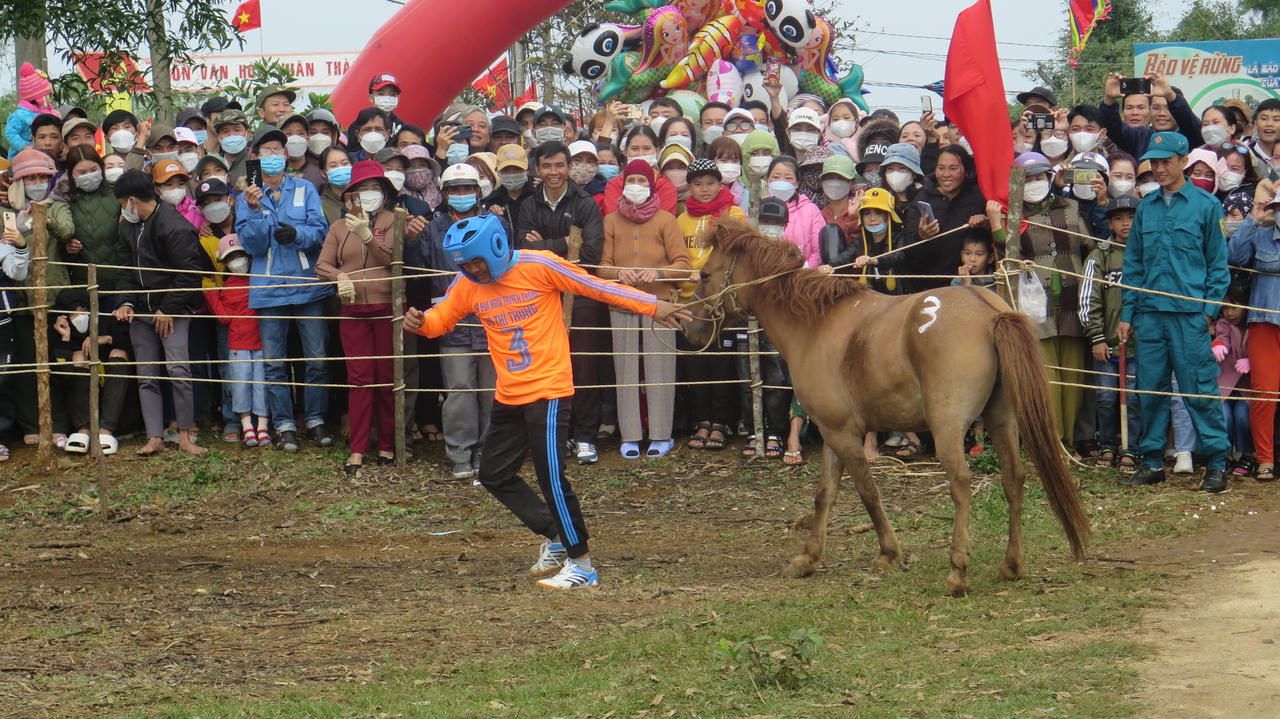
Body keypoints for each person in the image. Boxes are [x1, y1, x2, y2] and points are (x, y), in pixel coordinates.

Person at [403, 213, 691, 589]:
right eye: (465, 264)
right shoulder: (467, 285)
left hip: (549, 390)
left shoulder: (539, 265)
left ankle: (582, 565)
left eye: (477, 261)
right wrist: (421, 322)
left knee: (551, 477)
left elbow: (596, 287)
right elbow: (442, 318)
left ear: (496, 247)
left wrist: (652, 305)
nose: (473, 270)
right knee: (494, 475)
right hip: (509, 395)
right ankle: (555, 534)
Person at [1118, 131, 1231, 493]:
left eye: (1167, 161)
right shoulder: (1145, 209)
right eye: (1154, 161)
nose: (1159, 168)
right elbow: (1133, 265)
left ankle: (1216, 461)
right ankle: (1151, 460)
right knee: (1149, 390)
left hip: (1188, 316)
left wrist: (1209, 311)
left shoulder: (1206, 206)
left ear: (1184, 161)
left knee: (1199, 389)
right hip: (1149, 316)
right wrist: (1127, 313)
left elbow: (1218, 266)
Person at [234, 124, 334, 453]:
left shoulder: (305, 188)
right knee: (275, 363)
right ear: (255, 157)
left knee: (316, 358)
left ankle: (316, 419)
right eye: (267, 151)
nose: (274, 156)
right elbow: (253, 245)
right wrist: (253, 210)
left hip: (307, 287)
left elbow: (320, 230)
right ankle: (284, 424)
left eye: (279, 150)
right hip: (269, 289)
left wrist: (299, 235)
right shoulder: (245, 197)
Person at [514, 141, 609, 464]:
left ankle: (585, 436)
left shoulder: (585, 203)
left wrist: (545, 246)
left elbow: (590, 253)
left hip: (580, 294)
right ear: (537, 170)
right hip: (540, 296)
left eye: (559, 165)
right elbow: (523, 254)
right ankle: (557, 435)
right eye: (546, 166)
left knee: (583, 365)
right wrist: (565, 244)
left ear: (569, 167)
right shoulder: (529, 205)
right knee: (546, 365)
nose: (553, 173)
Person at [599, 159, 690, 459]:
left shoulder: (667, 220)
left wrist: (659, 273)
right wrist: (619, 274)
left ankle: (662, 435)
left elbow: (683, 266)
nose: (635, 186)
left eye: (642, 180)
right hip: (622, 302)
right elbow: (602, 268)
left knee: (660, 365)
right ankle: (630, 435)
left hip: (660, 303)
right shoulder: (611, 220)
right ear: (622, 184)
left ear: (651, 185)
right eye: (631, 180)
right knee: (624, 366)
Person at [1000, 151, 1092, 450]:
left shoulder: (1072, 207)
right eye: (1028, 179)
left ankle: (1073, 440)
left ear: (1050, 178)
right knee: (1046, 376)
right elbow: (1009, 254)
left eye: (1040, 177)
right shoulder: (1013, 215)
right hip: (1037, 305)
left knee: (1076, 375)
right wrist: (994, 221)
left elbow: (1090, 247)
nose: (1035, 183)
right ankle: (1051, 442)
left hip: (1074, 300)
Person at [111, 170, 207, 456]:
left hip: (173, 311)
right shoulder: (127, 226)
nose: (122, 209)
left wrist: (169, 308)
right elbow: (125, 269)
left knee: (179, 370)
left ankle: (186, 435)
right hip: (140, 311)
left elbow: (190, 274)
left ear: (131, 200)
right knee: (147, 374)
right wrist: (126, 301)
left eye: (121, 203)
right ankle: (154, 436)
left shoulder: (174, 225)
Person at [315, 161, 401, 472]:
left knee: (388, 378)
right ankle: (358, 448)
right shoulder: (339, 227)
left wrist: (367, 236)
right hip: (352, 311)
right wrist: (339, 276)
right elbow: (321, 265)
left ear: (385, 193)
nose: (369, 194)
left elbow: (393, 260)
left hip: (387, 309)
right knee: (360, 380)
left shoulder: (394, 220)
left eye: (375, 188)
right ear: (352, 194)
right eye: (363, 188)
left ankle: (389, 445)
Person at [420, 164, 500, 479]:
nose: (462, 194)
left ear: (478, 191)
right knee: (460, 388)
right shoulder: (432, 228)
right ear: (444, 193)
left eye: (467, 188)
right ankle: (461, 452)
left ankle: (490, 450)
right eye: (455, 189)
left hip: (491, 318)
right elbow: (421, 271)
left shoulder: (495, 224)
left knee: (493, 389)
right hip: (452, 322)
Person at [677, 159, 743, 452]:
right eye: (698, 183)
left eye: (710, 183)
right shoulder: (681, 219)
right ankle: (702, 419)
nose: (704, 189)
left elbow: (740, 257)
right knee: (696, 363)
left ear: (721, 184)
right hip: (689, 301)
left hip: (722, 302)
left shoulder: (734, 215)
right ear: (689, 186)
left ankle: (720, 421)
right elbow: (678, 257)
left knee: (722, 363)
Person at [1079, 196, 1141, 472]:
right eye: (1118, 218)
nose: (1126, 223)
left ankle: (1132, 448)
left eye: (1131, 216)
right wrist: (1097, 337)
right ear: (1109, 223)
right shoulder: (1100, 254)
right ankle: (1107, 445)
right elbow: (1088, 299)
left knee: (1135, 398)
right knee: (1105, 397)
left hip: (1139, 345)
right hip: (1106, 343)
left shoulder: (1147, 252)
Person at [1227, 183, 1280, 482]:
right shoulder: (1260, 233)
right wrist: (1253, 218)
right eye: (1278, 207)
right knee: (1264, 395)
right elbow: (1233, 257)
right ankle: (1265, 460)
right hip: (1264, 324)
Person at [204, 234, 270, 447]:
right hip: (238, 346)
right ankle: (247, 426)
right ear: (225, 263)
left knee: (261, 384)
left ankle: (262, 426)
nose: (238, 261)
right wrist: (211, 294)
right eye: (232, 258)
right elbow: (224, 317)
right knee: (240, 384)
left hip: (261, 343)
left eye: (241, 255)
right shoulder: (229, 287)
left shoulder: (260, 279)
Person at [900, 145, 989, 292]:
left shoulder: (978, 196)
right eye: (941, 168)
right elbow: (908, 249)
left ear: (965, 170)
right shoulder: (922, 198)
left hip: (971, 283)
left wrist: (985, 222)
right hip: (928, 286)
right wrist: (921, 236)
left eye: (953, 168)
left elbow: (991, 241)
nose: (946, 174)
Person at [1212, 284, 1254, 478]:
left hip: (1248, 384)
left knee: (1244, 416)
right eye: (1224, 308)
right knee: (1224, 415)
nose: (1228, 313)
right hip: (1226, 381)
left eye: (1233, 307)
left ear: (1246, 305)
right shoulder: (1223, 324)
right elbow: (1222, 337)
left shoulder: (1256, 326)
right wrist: (1218, 344)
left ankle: (1248, 454)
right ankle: (1225, 454)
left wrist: (1253, 361)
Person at [601, 126, 678, 215]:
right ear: (626, 152)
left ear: (657, 151)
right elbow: (613, 220)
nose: (640, 154)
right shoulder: (614, 185)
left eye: (646, 149)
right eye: (634, 149)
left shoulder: (667, 187)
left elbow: (664, 222)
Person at [764, 156, 823, 267]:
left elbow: (818, 249)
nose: (781, 182)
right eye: (776, 177)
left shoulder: (811, 210)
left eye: (788, 178)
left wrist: (806, 270)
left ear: (797, 183)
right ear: (768, 180)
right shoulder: (758, 209)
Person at [5, 63, 57, 159]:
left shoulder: (47, 112)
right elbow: (10, 133)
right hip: (21, 157)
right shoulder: (20, 116)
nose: (49, 98)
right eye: (47, 95)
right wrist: (24, 146)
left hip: (42, 155)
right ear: (39, 98)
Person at [487, 144, 534, 224]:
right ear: (497, 171)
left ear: (527, 169)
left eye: (517, 169)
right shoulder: (492, 199)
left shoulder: (539, 192)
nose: (512, 174)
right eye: (506, 170)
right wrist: (490, 217)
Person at [214, 109, 252, 186]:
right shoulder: (212, 163)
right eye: (225, 131)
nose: (231, 135)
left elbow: (256, 194)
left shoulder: (253, 162)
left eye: (237, 130)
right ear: (218, 137)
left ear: (247, 134)